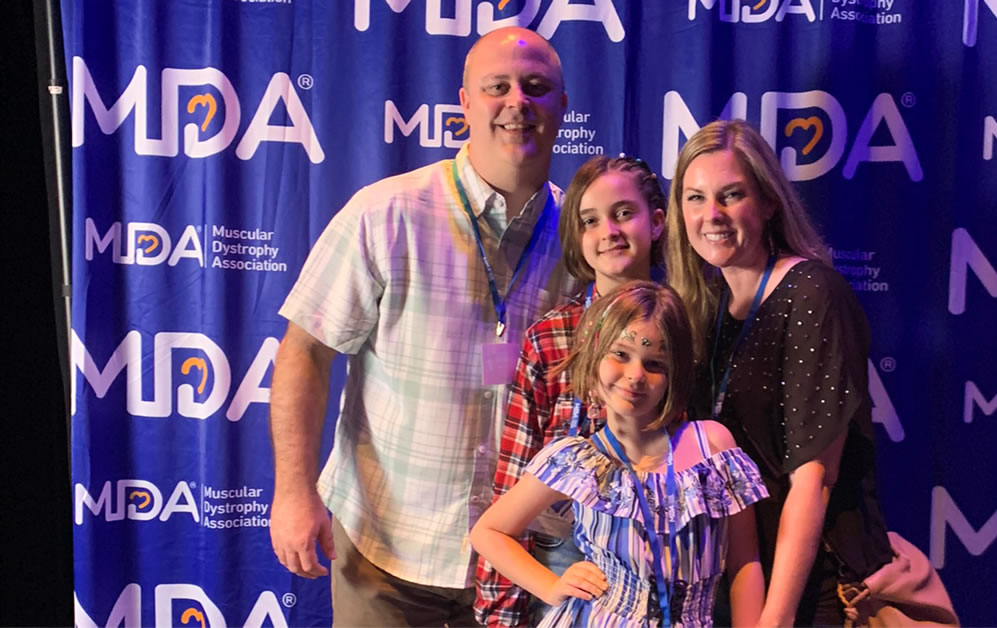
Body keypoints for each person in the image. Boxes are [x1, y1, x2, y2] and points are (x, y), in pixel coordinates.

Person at [268, 27, 572, 626]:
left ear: (562, 105)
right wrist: (294, 492)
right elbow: (304, 353)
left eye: (537, 88)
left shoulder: (583, 237)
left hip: (521, 564)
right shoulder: (386, 213)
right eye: (498, 87)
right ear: (464, 103)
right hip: (386, 554)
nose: (519, 102)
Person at [665, 120, 892, 626]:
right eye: (695, 198)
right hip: (737, 578)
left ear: (768, 202)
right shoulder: (706, 305)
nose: (711, 216)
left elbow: (815, 480)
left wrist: (776, 617)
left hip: (813, 589)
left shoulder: (812, 293)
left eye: (731, 195)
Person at [471, 282, 768, 627]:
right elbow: (488, 532)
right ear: (595, 358)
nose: (635, 375)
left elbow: (746, 562)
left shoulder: (712, 448)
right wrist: (551, 587)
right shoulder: (575, 461)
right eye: (621, 354)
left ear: (675, 376)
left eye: (655, 363)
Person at [475, 155, 669, 627]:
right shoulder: (551, 336)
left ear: (657, 221)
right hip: (565, 557)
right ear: (577, 238)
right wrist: (498, 611)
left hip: (667, 557)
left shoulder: (688, 326)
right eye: (590, 220)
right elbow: (514, 473)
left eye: (624, 212)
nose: (609, 231)